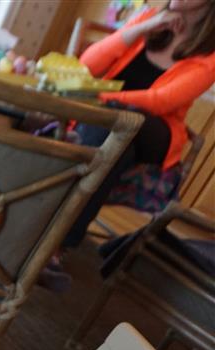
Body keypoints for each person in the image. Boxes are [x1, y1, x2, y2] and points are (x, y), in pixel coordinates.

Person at [62, 0, 215, 251]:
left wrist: (100, 98)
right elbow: (88, 66)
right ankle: (59, 243)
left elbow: (160, 102)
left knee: (123, 119)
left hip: (153, 132)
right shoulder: (149, 18)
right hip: (108, 128)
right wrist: (141, 28)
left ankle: (53, 236)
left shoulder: (210, 58)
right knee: (117, 145)